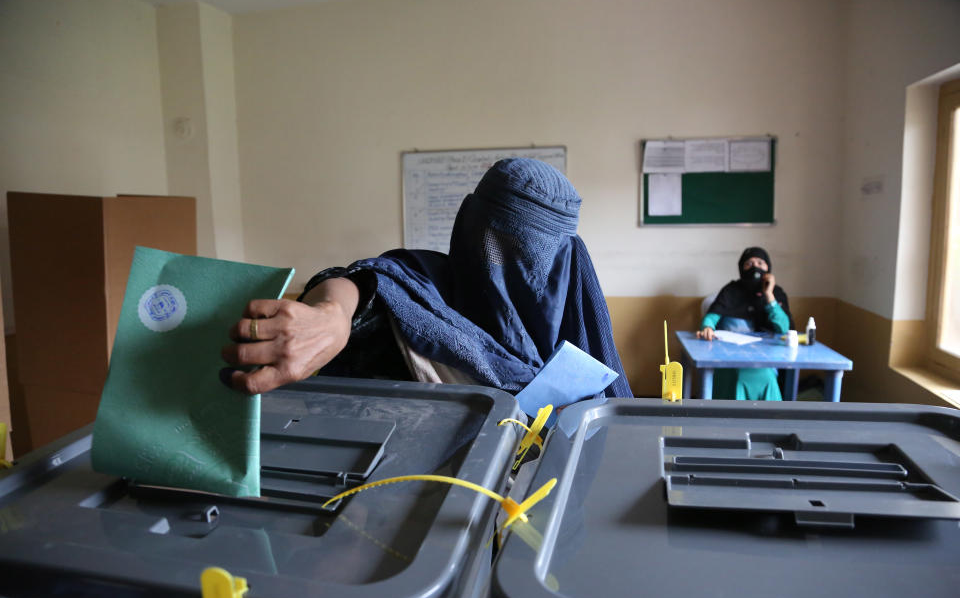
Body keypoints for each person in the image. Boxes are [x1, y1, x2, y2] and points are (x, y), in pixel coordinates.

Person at [220, 158, 633, 401]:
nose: (518, 270)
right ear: (471, 227)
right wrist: (330, 315)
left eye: (538, 257)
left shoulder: (572, 321)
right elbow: (366, 284)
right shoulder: (425, 284)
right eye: (498, 246)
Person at [695, 246, 793, 400]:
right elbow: (711, 317)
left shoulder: (776, 293)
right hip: (730, 355)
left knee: (765, 374)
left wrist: (769, 295)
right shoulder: (731, 290)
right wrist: (707, 327)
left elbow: (784, 327)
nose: (755, 267)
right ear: (741, 268)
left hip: (766, 356)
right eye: (749, 263)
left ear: (768, 268)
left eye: (760, 263)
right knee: (743, 375)